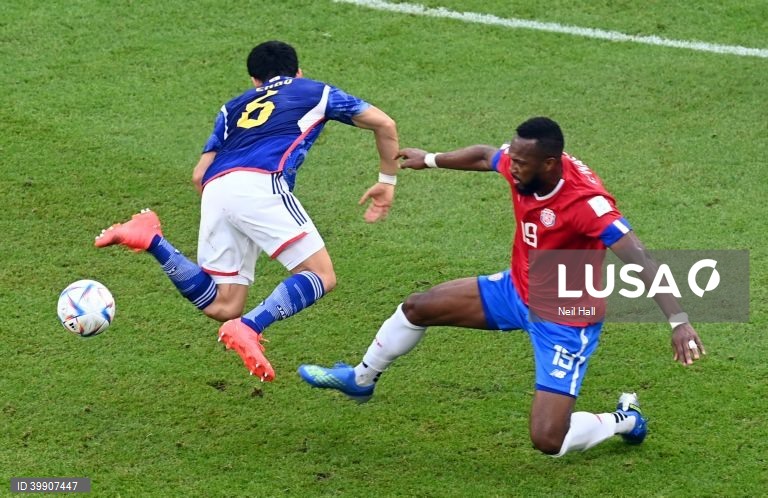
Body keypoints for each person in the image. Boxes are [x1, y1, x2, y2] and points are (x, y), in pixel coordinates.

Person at [298, 117, 706, 456]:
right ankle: (361, 379)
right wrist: (432, 160)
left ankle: (624, 419)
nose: (511, 168)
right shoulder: (523, 165)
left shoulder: (586, 205)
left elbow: (643, 260)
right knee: (417, 307)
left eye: (521, 164)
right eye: (512, 158)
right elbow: (481, 155)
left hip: (565, 320)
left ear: (549, 164)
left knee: (548, 439)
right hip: (515, 291)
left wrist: (680, 321)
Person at [95, 40, 400, 382]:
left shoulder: (232, 108)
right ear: (298, 72)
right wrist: (387, 182)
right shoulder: (312, 90)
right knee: (321, 275)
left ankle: (152, 239)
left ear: (255, 80)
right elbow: (384, 124)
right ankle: (250, 327)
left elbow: (198, 175)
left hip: (216, 188)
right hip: (261, 183)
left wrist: (236, 214)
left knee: (223, 305)